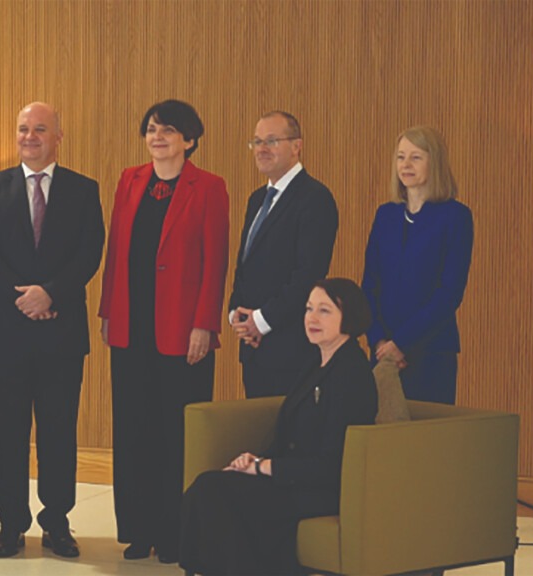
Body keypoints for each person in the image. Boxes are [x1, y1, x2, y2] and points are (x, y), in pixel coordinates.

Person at [0, 102, 105, 559]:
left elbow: (89, 254)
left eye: (40, 129)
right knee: (6, 432)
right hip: (5, 333)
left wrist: (50, 294)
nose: (30, 136)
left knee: (58, 432)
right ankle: (10, 524)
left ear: (58, 137)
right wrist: (23, 297)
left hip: (61, 332)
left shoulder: (84, 190)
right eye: (23, 129)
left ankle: (57, 523)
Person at [98, 100, 229, 564]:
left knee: (175, 435)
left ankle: (175, 533)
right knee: (134, 430)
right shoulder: (130, 180)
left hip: (182, 331)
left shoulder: (209, 187)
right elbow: (117, 250)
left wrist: (205, 323)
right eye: (152, 129)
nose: (157, 137)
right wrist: (108, 308)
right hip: (131, 326)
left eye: (168, 130)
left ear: (189, 139)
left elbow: (216, 262)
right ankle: (138, 529)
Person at [179, 278, 378, 575]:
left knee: (214, 491)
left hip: (321, 487)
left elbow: (332, 463)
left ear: (348, 317)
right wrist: (254, 459)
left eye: (324, 311)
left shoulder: (352, 374)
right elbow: (289, 433)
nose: (311, 318)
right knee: (207, 486)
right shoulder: (316, 363)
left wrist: (264, 468)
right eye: (309, 308)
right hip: (292, 476)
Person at [229, 111, 338, 398]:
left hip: (289, 347)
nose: (262, 149)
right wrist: (237, 313)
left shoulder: (314, 198)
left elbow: (308, 274)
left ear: (296, 146)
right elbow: (246, 263)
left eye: (272, 141)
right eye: (257, 142)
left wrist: (261, 321)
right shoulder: (257, 199)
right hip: (253, 346)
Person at [362, 126, 473, 405]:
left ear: (433, 162)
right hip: (380, 352)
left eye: (416, 157)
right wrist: (378, 342)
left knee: (425, 442)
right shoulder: (386, 215)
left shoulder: (455, 216)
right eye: (400, 157)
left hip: (430, 353)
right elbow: (369, 285)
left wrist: (401, 344)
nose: (406, 165)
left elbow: (449, 293)